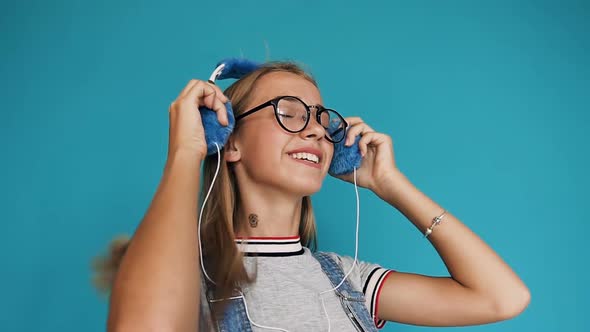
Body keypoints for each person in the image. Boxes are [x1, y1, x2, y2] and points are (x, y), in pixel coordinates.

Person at [93, 61, 530, 331]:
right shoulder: (188, 276)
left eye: (322, 119)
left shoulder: (345, 281)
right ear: (229, 140)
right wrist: (187, 151)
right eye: (289, 113)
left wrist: (391, 185)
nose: (318, 129)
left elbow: (502, 298)